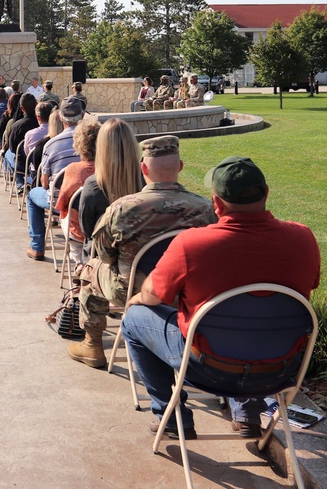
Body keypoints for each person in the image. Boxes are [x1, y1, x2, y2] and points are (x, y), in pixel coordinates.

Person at [122, 156, 320, 439]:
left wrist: (137, 299)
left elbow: (154, 296)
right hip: (280, 370)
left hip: (208, 370)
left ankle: (172, 416)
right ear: (265, 193)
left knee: (133, 318)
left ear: (216, 203)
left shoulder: (192, 244)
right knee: (256, 322)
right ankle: (248, 415)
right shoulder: (303, 238)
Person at [68, 136, 217, 369]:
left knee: (90, 269)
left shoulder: (122, 209)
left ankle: (92, 343)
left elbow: (104, 256)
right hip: (187, 292)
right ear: (180, 166)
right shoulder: (206, 209)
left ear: (144, 168)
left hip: (129, 290)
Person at [25, 97, 84, 260]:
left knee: (32, 195)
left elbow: (44, 183)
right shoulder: (94, 141)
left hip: (59, 203)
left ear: (59, 117)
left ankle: (37, 246)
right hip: (90, 201)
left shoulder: (51, 144)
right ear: (83, 116)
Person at [78, 118, 144, 259]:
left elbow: (87, 230)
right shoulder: (146, 181)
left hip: (105, 262)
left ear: (101, 147)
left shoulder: (94, 185)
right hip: (141, 257)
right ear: (132, 144)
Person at [55, 120, 101, 268]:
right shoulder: (111, 170)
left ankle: (80, 263)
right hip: (104, 233)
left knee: (65, 215)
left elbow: (61, 204)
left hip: (78, 232)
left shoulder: (72, 169)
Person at [3, 93, 40, 191]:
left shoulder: (16, 126)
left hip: (23, 164)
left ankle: (20, 184)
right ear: (36, 104)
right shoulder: (44, 123)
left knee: (8, 154)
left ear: (22, 108)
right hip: (41, 163)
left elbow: (12, 148)